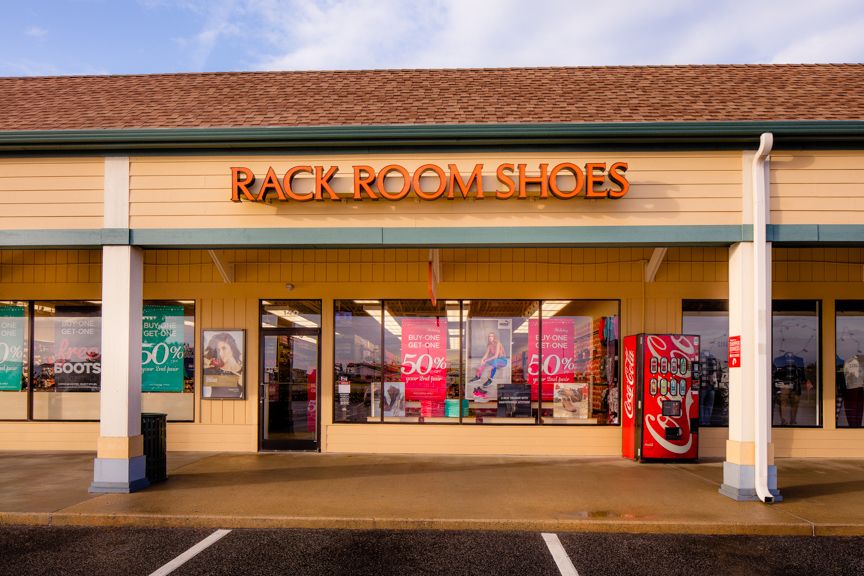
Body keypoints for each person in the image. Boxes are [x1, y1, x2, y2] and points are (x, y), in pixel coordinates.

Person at [470, 331, 508, 400]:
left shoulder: (498, 343)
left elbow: (496, 356)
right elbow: (486, 354)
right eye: (489, 336)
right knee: (485, 362)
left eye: (492, 336)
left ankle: (490, 380)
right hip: (495, 361)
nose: (490, 338)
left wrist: (486, 360)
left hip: (502, 361)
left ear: (494, 337)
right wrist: (482, 359)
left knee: (494, 361)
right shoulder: (489, 346)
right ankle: (478, 376)